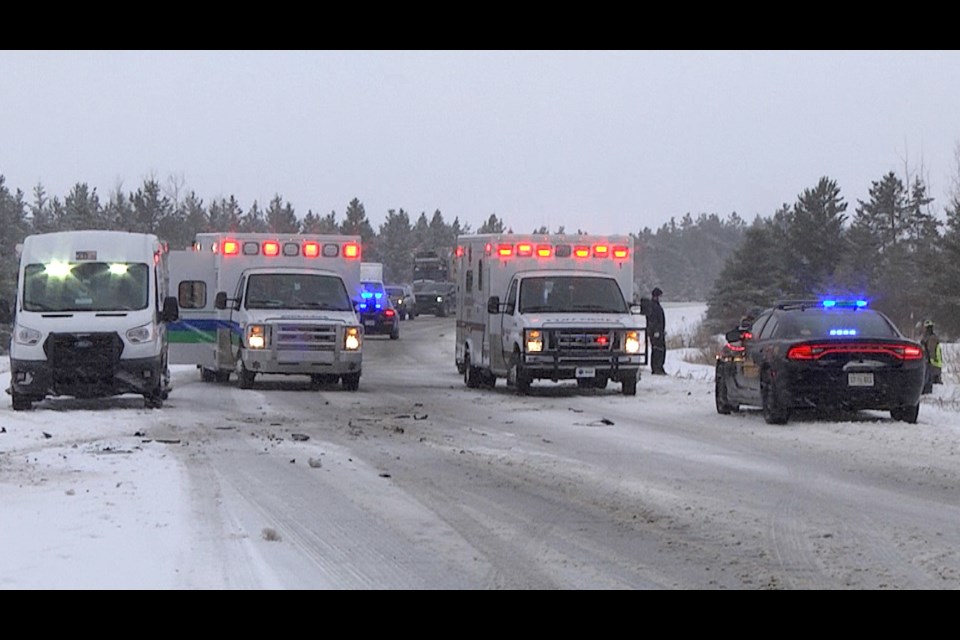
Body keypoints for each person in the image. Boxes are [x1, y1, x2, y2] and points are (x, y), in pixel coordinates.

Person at [643, 286, 666, 375]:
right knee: (658, 349)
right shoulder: (653, 306)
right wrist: (656, 331)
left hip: (658, 331)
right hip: (656, 332)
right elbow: (653, 320)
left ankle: (658, 367)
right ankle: (657, 368)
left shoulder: (655, 306)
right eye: (659, 296)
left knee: (659, 349)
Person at [920, 319, 943, 393]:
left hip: (932, 364)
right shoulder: (929, 337)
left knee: (930, 381)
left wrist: (928, 359)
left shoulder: (931, 338)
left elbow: (931, 351)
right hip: (932, 363)